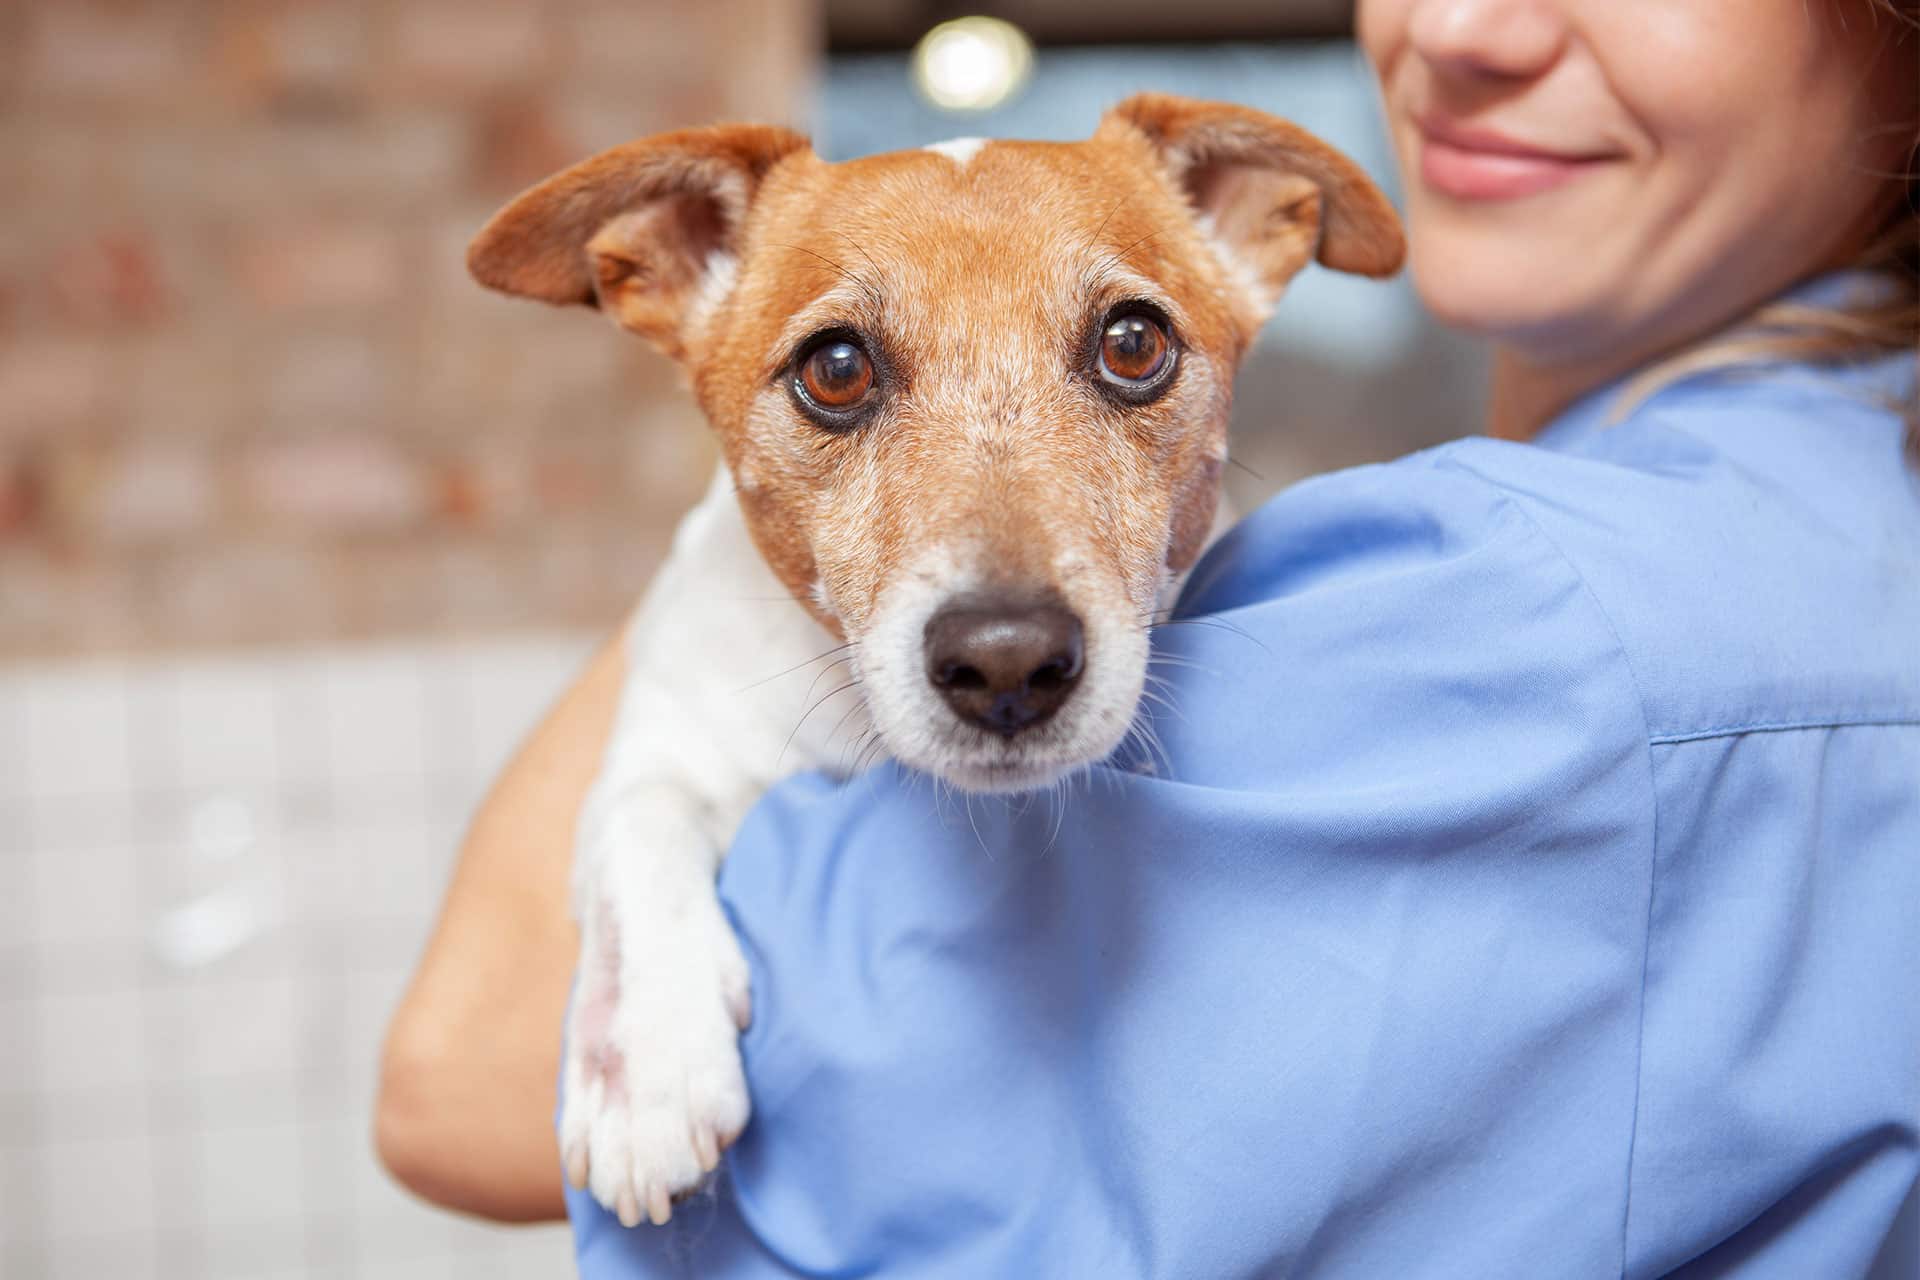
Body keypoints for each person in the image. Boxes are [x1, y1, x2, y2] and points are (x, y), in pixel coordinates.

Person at [376, 0, 1920, 1273]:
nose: (1461, 28)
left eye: (1126, 347)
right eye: (843, 370)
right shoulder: (1838, 513)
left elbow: (461, 1080)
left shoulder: (1523, 621)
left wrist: (772, 438)